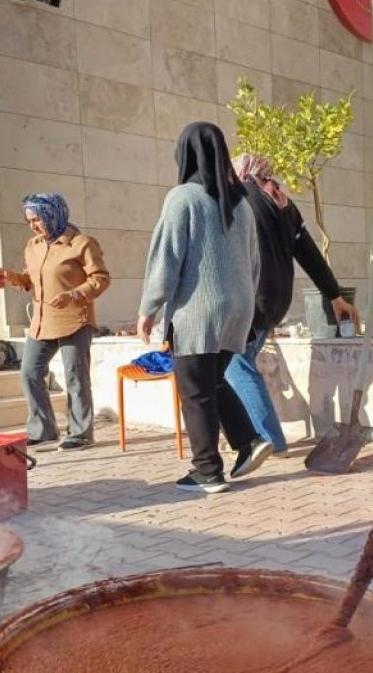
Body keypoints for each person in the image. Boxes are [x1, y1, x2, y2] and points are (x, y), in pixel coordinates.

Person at [138, 122, 274, 494]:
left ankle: (207, 471)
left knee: (194, 390)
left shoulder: (183, 197)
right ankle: (249, 439)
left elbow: (166, 257)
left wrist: (149, 308)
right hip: (238, 309)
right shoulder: (240, 202)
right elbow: (254, 263)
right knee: (212, 381)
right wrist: (249, 308)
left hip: (199, 311)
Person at [225, 153, 360, 452]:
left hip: (251, 299)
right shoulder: (282, 202)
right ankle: (259, 435)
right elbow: (309, 253)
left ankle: (269, 440)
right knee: (240, 361)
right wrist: (335, 295)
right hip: (277, 301)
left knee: (235, 363)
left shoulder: (238, 199)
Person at [0, 193, 110, 451]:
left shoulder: (82, 243)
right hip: (41, 322)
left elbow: (101, 278)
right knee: (30, 372)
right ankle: (43, 429)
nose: (34, 226)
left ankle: (80, 434)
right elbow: (31, 279)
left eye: (37, 220)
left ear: (52, 215)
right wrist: (11, 278)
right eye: (30, 221)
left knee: (75, 377)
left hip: (75, 320)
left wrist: (74, 294)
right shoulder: (33, 245)